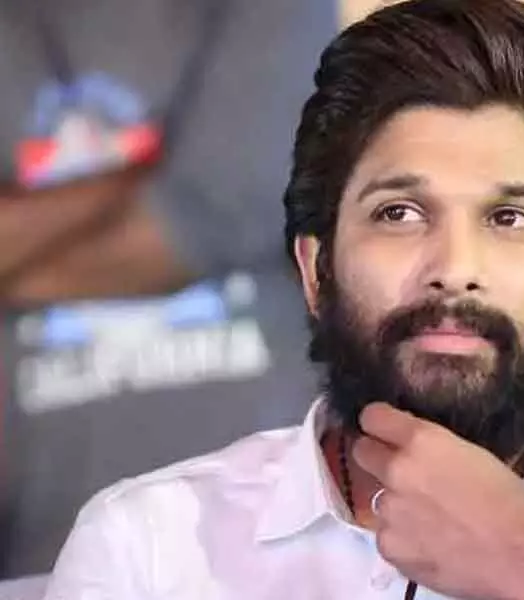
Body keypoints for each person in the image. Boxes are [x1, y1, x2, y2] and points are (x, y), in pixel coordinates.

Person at [44, 1, 524, 598]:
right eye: (399, 213)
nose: (454, 268)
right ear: (316, 272)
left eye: (510, 218)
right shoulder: (150, 547)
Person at [0, 0, 334, 576]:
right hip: (43, 550)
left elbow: (230, 207)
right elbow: (212, 205)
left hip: (278, 541)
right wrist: (160, 180)